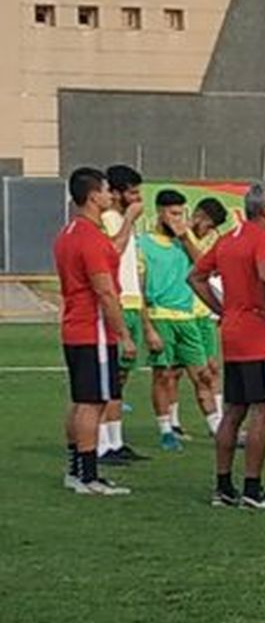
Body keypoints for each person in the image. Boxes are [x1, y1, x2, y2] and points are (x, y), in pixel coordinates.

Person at [188, 182, 265, 509]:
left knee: (233, 410)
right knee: (264, 409)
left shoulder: (228, 239)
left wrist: (222, 309)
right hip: (260, 333)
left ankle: (222, 486)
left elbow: (196, 277)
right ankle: (252, 488)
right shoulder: (263, 239)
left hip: (232, 332)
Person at [55, 166, 136, 496]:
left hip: (74, 327)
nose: (111, 195)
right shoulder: (90, 239)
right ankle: (88, 476)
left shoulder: (69, 234)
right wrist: (125, 336)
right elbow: (104, 290)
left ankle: (76, 469)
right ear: (92, 196)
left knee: (79, 401)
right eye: (105, 190)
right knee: (94, 402)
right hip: (94, 330)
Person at [138, 189, 218, 451]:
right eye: (173, 213)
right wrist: (148, 327)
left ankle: (217, 429)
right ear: (160, 213)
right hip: (161, 317)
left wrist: (185, 236)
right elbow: (138, 288)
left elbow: (205, 267)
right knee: (163, 376)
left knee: (203, 375)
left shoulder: (185, 241)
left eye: (182, 213)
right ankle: (166, 430)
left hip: (188, 319)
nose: (178, 219)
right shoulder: (144, 244)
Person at [97, 164, 146, 463]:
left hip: (132, 304)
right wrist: (128, 220)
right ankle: (102, 443)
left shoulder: (122, 219)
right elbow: (114, 251)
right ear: (115, 193)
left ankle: (115, 441)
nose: (138, 198)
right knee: (108, 378)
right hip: (116, 304)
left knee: (120, 380)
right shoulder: (108, 219)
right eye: (132, 192)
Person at [181, 197, 229, 437]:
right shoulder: (176, 234)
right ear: (199, 215)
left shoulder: (213, 239)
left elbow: (207, 265)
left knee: (211, 367)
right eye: (207, 222)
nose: (209, 229)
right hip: (179, 311)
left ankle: (218, 421)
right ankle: (173, 422)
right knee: (172, 372)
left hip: (202, 313)